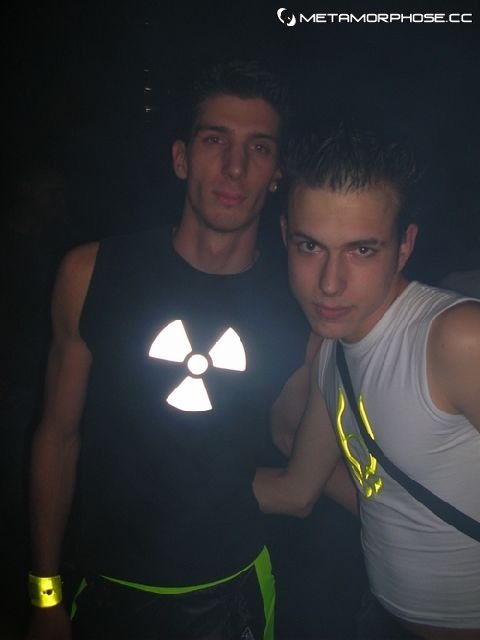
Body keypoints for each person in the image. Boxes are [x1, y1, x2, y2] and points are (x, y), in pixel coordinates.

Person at [27, 58, 352, 640]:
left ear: (276, 173)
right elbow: (58, 436)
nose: (234, 167)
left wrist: (404, 514)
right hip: (102, 586)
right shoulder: (93, 272)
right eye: (214, 140)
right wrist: (44, 594)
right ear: (181, 158)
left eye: (258, 148)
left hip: (233, 592)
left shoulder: (294, 305)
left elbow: (292, 438)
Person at [254, 126, 480, 639]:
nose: (330, 283)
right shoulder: (333, 352)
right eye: (310, 246)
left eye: (361, 250)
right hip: (380, 619)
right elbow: (297, 488)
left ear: (404, 247)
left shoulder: (454, 338)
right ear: (285, 235)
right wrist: (154, 484)